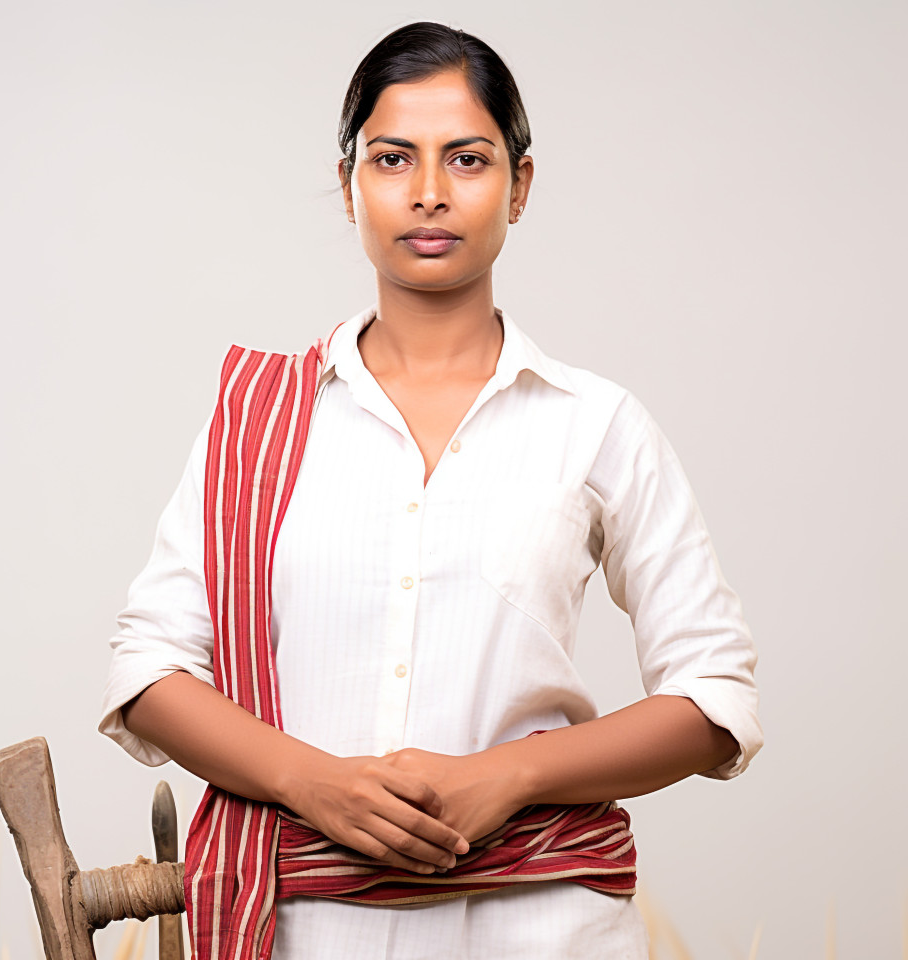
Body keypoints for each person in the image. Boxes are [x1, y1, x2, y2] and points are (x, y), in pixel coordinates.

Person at [99, 20, 762, 960]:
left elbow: (714, 694)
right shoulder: (259, 418)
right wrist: (308, 780)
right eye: (392, 158)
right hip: (302, 928)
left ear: (519, 185)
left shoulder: (597, 424)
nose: (429, 193)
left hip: (551, 929)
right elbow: (150, 666)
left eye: (468, 158)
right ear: (349, 186)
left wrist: (512, 773)